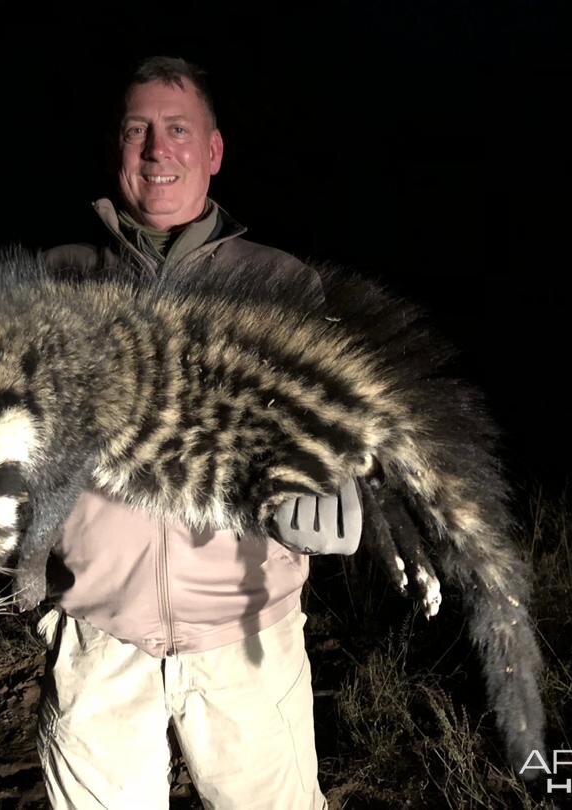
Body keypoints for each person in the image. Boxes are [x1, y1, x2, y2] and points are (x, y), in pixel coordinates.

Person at [37, 56, 359, 809]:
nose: (157, 149)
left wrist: (338, 475)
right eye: (137, 130)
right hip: (96, 637)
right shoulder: (54, 277)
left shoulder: (282, 284)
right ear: (117, 148)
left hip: (247, 638)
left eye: (178, 130)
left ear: (213, 151)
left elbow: (328, 421)